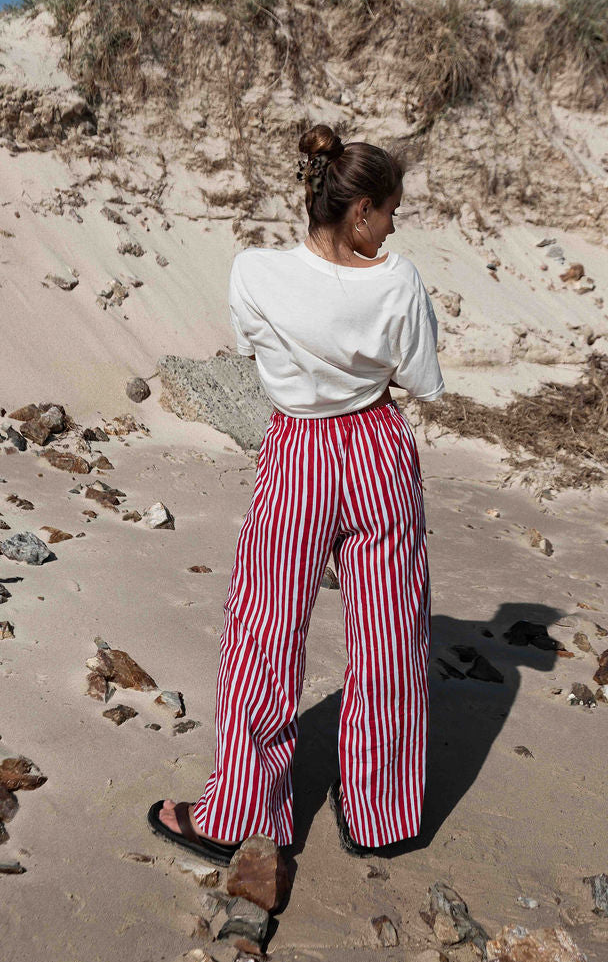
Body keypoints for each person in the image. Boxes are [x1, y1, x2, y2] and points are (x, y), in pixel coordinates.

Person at [148, 123, 445, 864]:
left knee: (266, 626)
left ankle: (243, 811)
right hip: (377, 447)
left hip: (301, 451)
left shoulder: (253, 271)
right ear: (360, 211)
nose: (395, 223)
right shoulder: (399, 279)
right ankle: (383, 813)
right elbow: (420, 380)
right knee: (392, 633)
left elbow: (254, 348)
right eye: (391, 209)